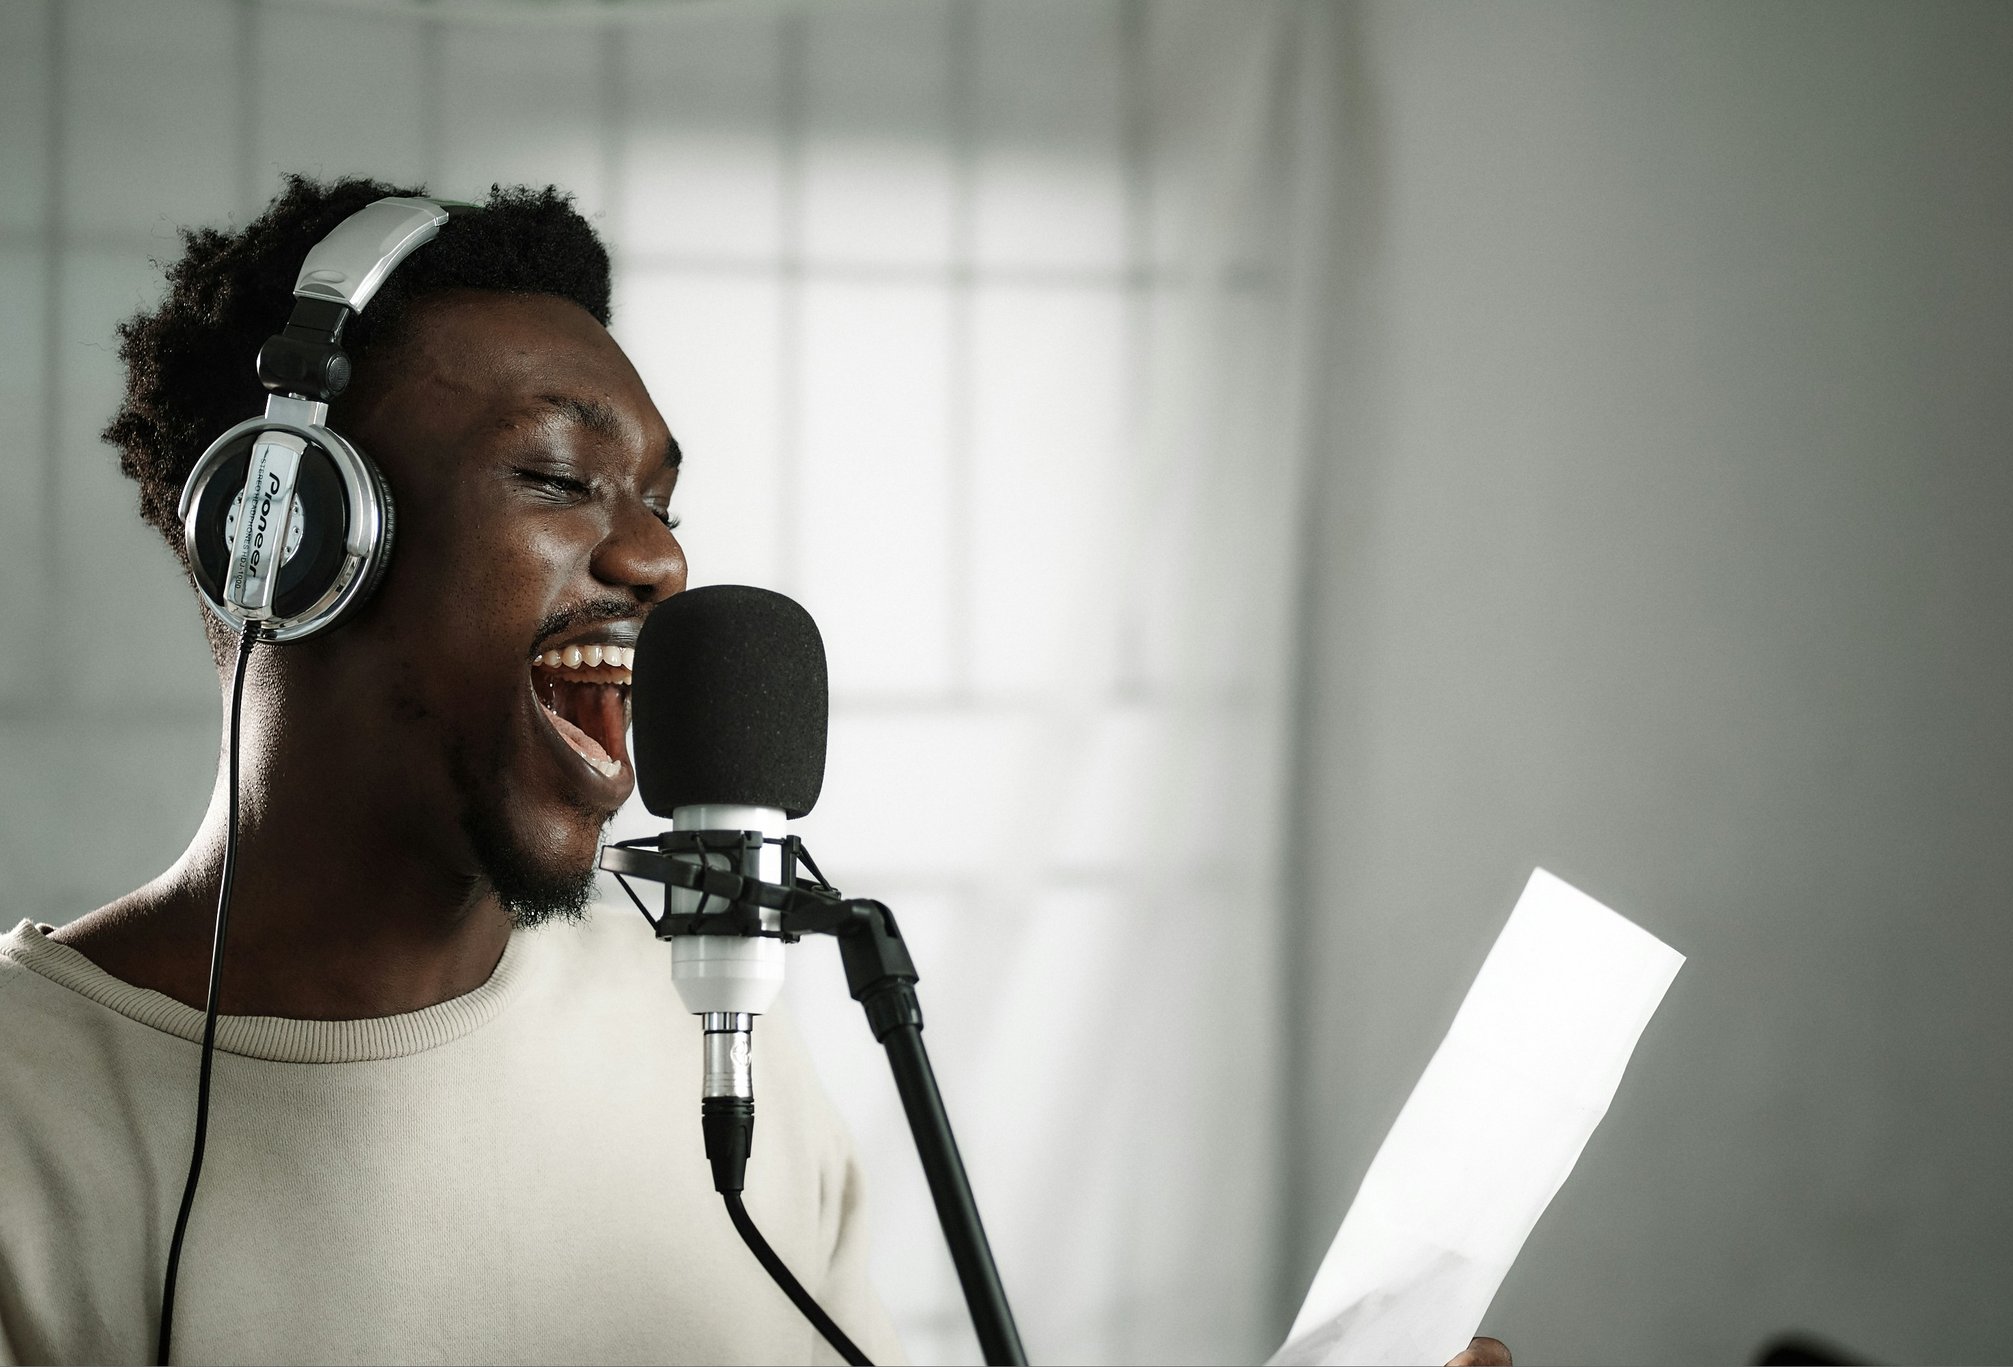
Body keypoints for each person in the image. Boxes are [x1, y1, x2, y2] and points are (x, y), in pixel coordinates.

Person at [0, 175, 1510, 1367]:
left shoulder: (716, 1035)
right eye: (554, 475)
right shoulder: (24, 1120)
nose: (658, 557)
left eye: (661, 499)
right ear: (293, 543)